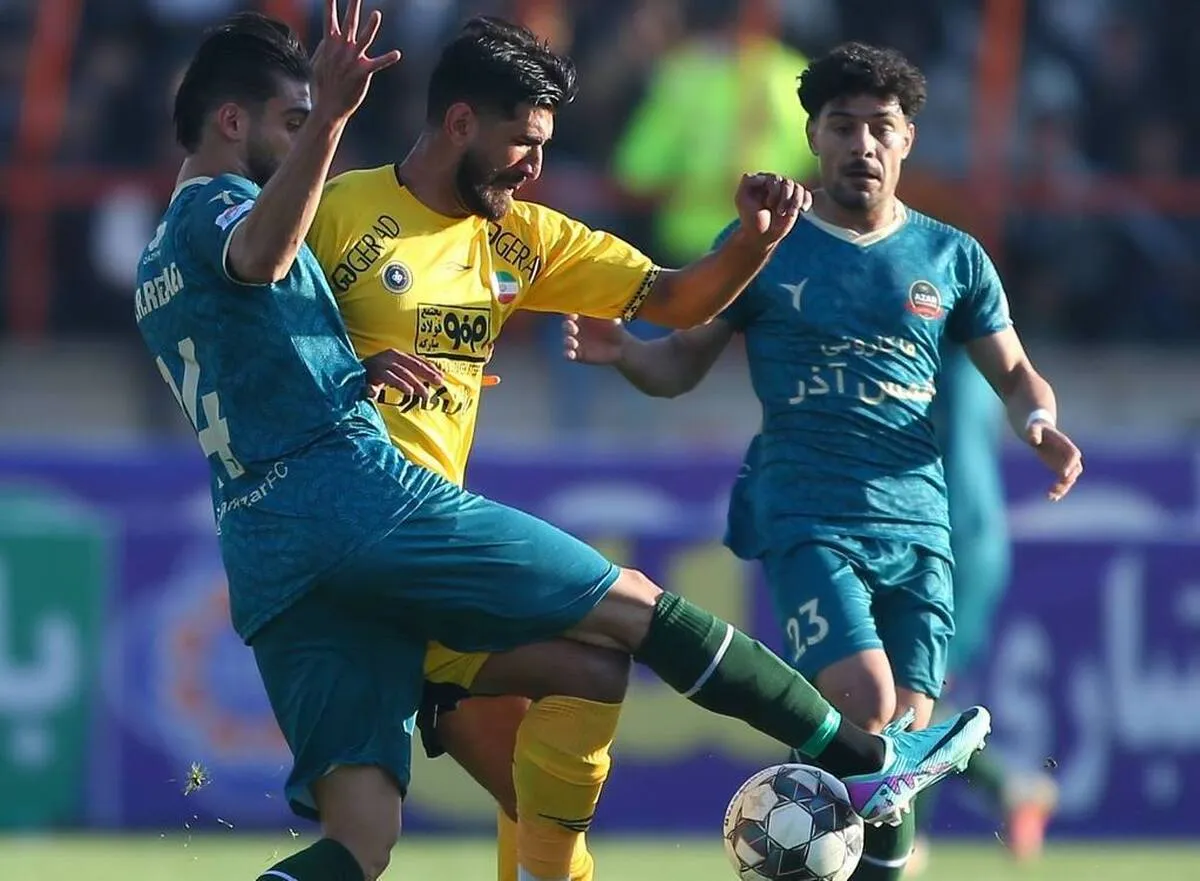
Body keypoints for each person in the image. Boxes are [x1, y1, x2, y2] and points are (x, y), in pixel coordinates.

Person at [135, 10, 991, 881]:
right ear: (461, 122)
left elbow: (673, 299)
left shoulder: (520, 238)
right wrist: (325, 121)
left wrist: (752, 243)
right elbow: (262, 261)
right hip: (379, 511)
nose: (535, 166)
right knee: (636, 607)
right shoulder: (317, 206)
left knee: (438, 787)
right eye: (523, 142)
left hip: (291, 555)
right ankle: (861, 756)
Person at [562, 41, 1082, 881]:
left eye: (880, 127)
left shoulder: (951, 258)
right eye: (843, 126)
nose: (861, 144)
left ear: (908, 139)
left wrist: (1040, 422)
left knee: (895, 749)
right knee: (868, 703)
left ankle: (860, 857)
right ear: (813, 136)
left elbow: (1016, 373)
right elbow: (680, 366)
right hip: (807, 512)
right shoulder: (765, 246)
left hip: (922, 527)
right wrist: (627, 351)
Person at [905, 345, 1058, 875]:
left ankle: (913, 837)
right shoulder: (974, 349)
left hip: (948, 540)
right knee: (911, 693)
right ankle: (1009, 792)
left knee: (914, 693)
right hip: (967, 537)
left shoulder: (934, 349)